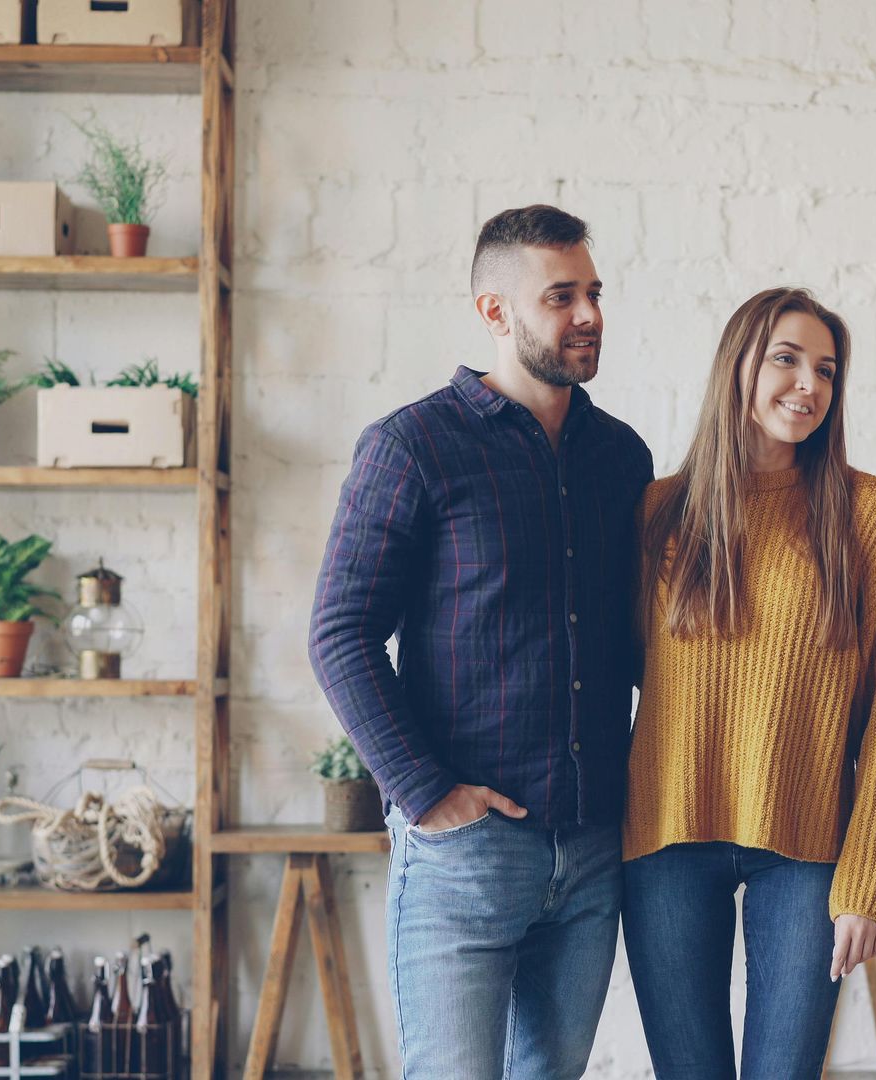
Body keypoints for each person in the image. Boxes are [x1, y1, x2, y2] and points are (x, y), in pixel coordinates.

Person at [309, 205, 653, 1077]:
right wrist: (426, 795)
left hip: (591, 853)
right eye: (561, 297)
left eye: (595, 293)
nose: (589, 316)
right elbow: (340, 633)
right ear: (494, 312)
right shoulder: (413, 446)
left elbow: (644, 644)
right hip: (465, 855)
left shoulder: (622, 459)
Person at [623, 287, 876, 1079]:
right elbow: (614, 671)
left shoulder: (867, 513)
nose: (809, 385)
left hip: (807, 853)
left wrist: (870, 880)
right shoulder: (659, 513)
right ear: (738, 368)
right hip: (665, 843)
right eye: (786, 359)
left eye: (826, 369)